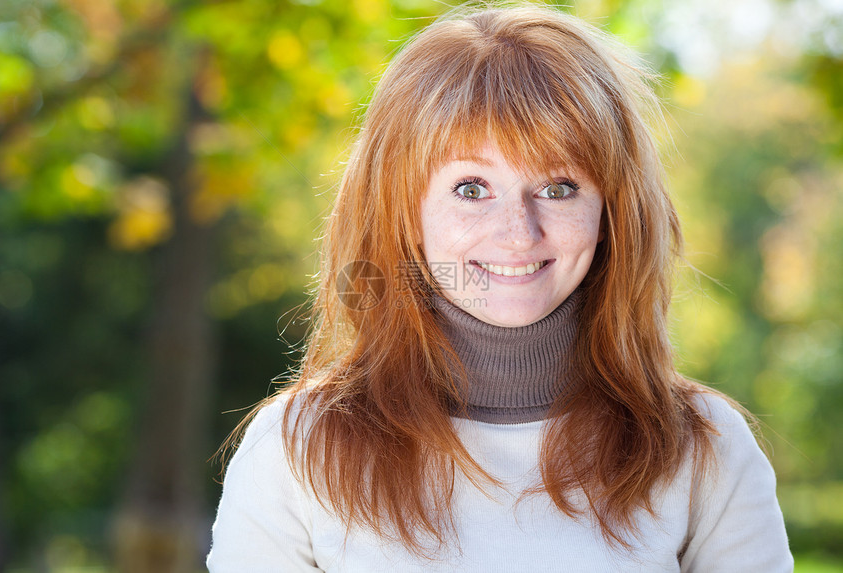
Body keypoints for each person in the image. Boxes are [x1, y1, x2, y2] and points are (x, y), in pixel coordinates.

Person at [207, 4, 793, 572]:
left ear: (612, 211)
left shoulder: (705, 450)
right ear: (404, 211)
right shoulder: (296, 450)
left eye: (559, 187)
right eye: (470, 188)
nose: (518, 233)